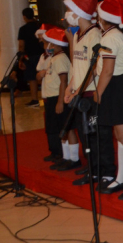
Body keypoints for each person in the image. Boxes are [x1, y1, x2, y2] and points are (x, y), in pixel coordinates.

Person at [62, 0, 116, 187]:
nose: (67, 14)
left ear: (79, 12)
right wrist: (70, 87)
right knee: (86, 135)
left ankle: (107, 172)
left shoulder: (94, 34)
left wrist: (80, 90)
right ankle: (93, 170)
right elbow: (77, 65)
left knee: (99, 134)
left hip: (91, 92)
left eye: (70, 10)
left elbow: (94, 68)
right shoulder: (76, 34)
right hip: (79, 92)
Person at [93, 0, 123, 198]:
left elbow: (108, 71)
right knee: (119, 135)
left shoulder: (110, 38)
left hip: (115, 87)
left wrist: (99, 91)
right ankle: (122, 176)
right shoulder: (112, 35)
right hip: (115, 86)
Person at [38, 28, 72, 166]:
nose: (46, 47)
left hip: (57, 97)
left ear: (56, 44)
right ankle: (57, 153)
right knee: (52, 126)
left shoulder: (61, 58)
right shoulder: (54, 58)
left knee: (60, 127)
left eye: (48, 44)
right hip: (50, 97)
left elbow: (63, 80)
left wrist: (60, 101)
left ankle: (63, 154)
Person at [17, 8, 42, 107]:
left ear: (24, 17)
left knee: (32, 78)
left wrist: (21, 59)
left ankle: (35, 99)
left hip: (29, 56)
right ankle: (45, 97)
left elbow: (21, 45)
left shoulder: (23, 29)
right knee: (42, 76)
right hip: (41, 55)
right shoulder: (39, 26)